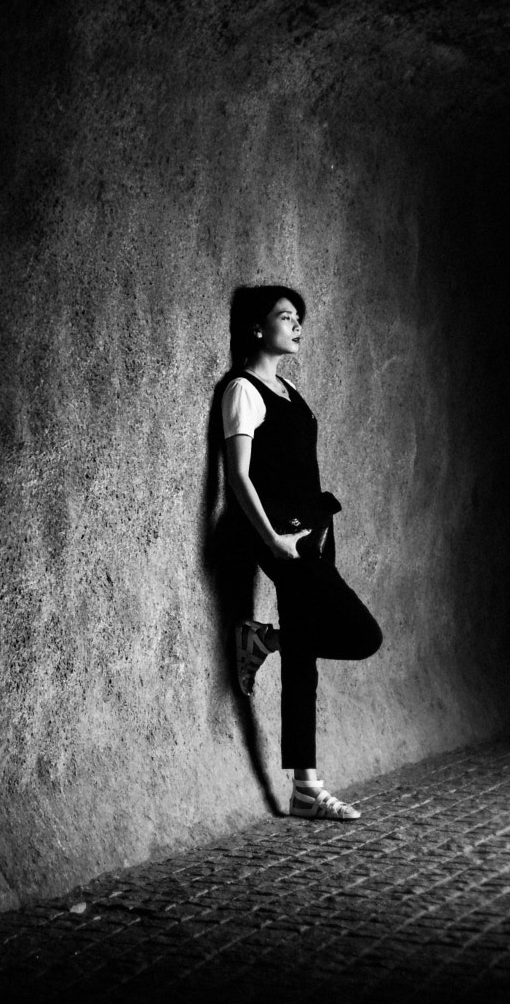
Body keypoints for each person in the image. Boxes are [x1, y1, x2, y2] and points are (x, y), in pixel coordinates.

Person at [218, 285, 384, 820]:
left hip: (313, 537)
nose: (297, 326)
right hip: (282, 539)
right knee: (360, 637)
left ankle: (305, 788)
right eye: (286, 317)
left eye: (299, 319)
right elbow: (238, 476)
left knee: (308, 656)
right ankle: (264, 641)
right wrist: (272, 540)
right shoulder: (242, 390)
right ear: (257, 327)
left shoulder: (288, 389)